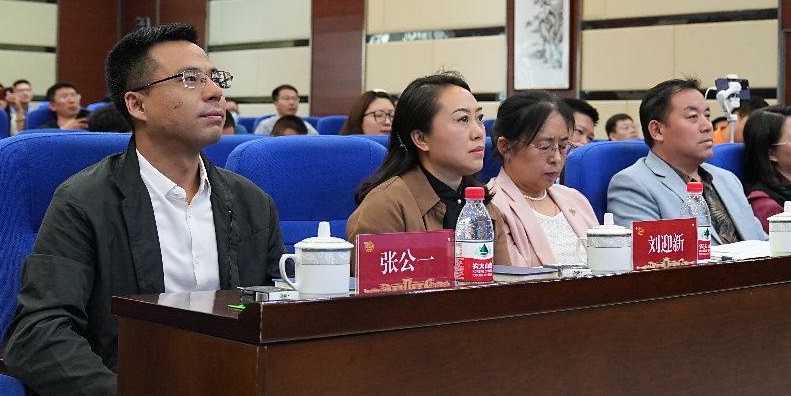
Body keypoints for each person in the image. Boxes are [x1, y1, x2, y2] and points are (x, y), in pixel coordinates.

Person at [3, 23, 285, 396]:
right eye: (190, 79)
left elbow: (266, 309)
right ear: (136, 104)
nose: (214, 91)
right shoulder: (84, 201)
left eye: (215, 77)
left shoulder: (252, 203)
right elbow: (38, 333)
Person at [346, 72, 512, 265]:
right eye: (463, 119)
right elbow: (377, 281)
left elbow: (504, 281)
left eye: (480, 118)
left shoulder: (482, 206)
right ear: (421, 138)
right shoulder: (385, 205)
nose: (479, 132)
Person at [607, 78, 767, 241]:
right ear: (657, 130)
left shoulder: (728, 179)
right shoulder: (633, 186)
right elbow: (648, 254)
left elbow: (762, 242)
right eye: (692, 117)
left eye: (707, 115)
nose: (707, 126)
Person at [488, 92, 598, 267]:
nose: (556, 158)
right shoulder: (491, 206)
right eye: (545, 147)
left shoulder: (575, 199)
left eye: (563, 147)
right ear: (506, 147)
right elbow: (516, 279)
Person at [253, 84, 317, 135]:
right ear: (275, 103)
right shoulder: (265, 126)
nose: (292, 103)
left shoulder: (306, 126)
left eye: (295, 99)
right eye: (286, 98)